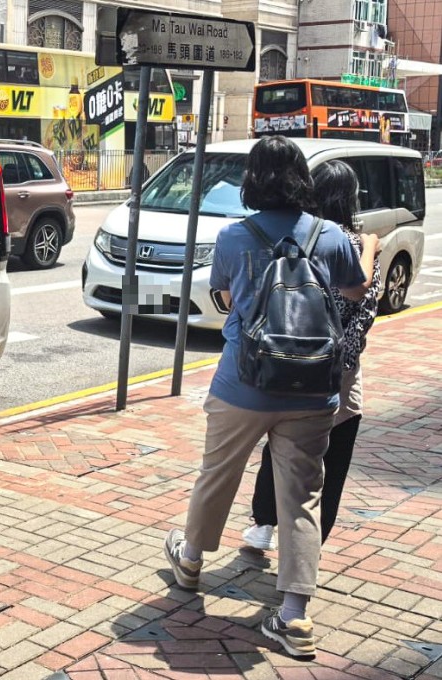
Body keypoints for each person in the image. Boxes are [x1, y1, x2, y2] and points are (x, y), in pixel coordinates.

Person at [162, 136, 370, 659]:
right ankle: (294, 617)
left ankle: (189, 560)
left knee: (219, 471)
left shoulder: (235, 235)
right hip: (313, 386)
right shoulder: (330, 236)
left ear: (253, 181)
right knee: (301, 495)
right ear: (302, 177)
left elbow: (227, 296)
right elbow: (354, 290)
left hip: (243, 383)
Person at [243, 160, 381, 551]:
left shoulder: (297, 238)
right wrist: (370, 245)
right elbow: (365, 302)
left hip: (286, 361)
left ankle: (263, 524)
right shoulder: (354, 244)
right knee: (332, 460)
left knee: (281, 446)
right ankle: (310, 543)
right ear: (351, 198)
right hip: (339, 374)